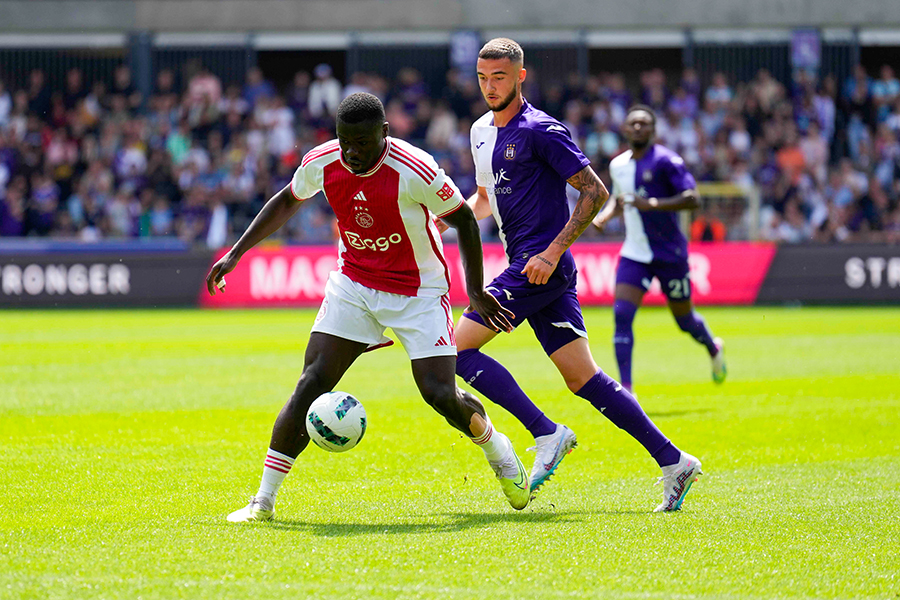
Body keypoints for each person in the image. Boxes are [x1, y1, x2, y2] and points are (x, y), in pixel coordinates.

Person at [207, 93, 531, 522]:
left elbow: (465, 221)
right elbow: (288, 199)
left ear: (385, 133)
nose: (352, 152)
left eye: (362, 142)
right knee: (312, 382)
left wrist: (473, 290)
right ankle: (262, 501)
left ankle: (496, 447)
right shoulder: (323, 161)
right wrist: (236, 252)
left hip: (418, 291)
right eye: (345, 141)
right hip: (354, 284)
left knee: (438, 394)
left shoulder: (416, 169)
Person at [442, 38, 701, 512]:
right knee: (584, 378)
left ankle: (546, 432)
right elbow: (483, 197)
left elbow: (595, 192)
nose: (489, 86)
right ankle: (674, 461)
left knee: (456, 349)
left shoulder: (542, 129)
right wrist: (440, 221)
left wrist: (552, 250)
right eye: (482, 78)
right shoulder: (481, 131)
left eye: (499, 77)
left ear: (521, 76)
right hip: (532, 267)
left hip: (540, 266)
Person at [593, 105, 726, 393]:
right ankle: (627, 390)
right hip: (635, 253)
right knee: (622, 316)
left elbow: (693, 199)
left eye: (644, 124)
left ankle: (713, 347)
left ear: (653, 130)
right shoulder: (618, 165)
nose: (638, 128)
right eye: (633, 124)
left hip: (669, 255)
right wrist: (604, 216)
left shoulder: (668, 162)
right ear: (625, 129)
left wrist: (652, 205)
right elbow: (620, 198)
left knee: (685, 320)